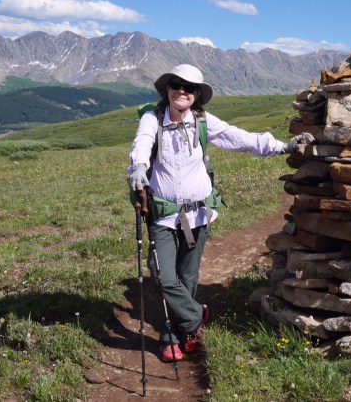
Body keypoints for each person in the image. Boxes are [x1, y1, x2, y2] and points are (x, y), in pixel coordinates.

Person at [127, 64, 312, 362]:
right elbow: (143, 141)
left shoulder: (202, 121)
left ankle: (174, 334)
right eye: (176, 84)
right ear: (167, 89)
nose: (182, 91)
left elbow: (238, 138)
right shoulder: (153, 118)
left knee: (187, 276)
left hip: (198, 215)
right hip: (163, 215)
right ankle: (195, 317)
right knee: (162, 275)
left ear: (197, 94)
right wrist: (138, 167)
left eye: (189, 87)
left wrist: (281, 147)